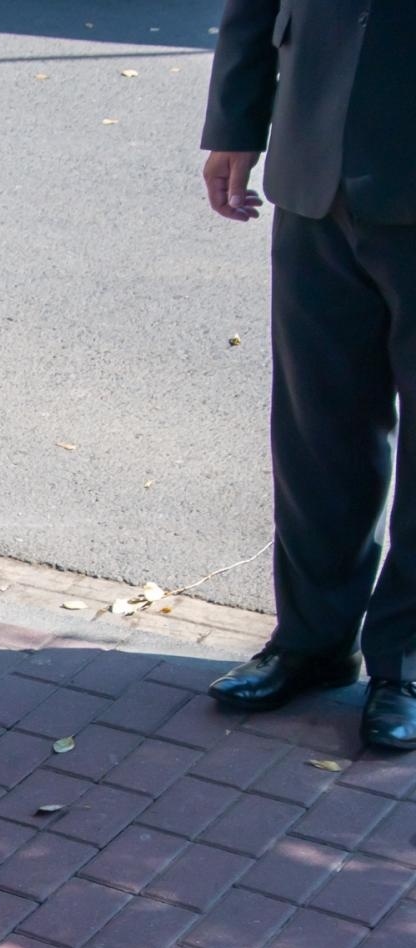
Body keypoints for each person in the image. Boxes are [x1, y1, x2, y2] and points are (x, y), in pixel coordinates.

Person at [201, 0, 416, 748]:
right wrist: (236, 122)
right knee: (316, 427)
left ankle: (408, 663)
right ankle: (315, 639)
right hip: (313, 156)